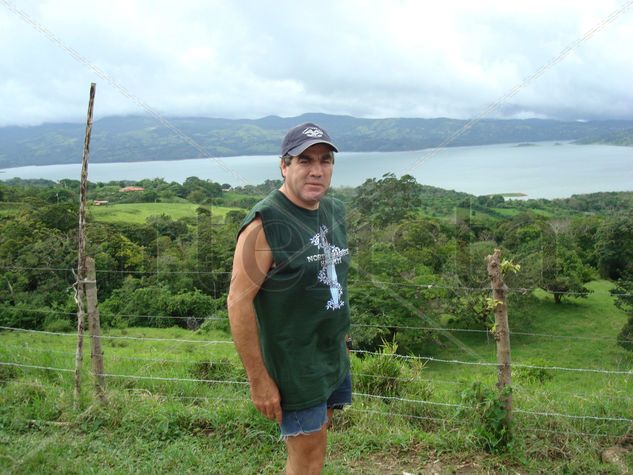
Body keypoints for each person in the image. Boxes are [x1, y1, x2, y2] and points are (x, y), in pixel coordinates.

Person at [227, 122, 351, 474]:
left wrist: (340, 336)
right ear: (284, 166)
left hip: (330, 355)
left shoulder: (333, 211)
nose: (317, 170)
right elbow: (238, 304)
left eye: (325, 160)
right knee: (307, 460)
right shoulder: (266, 225)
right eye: (304, 160)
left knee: (315, 448)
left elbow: (335, 278)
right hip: (295, 366)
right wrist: (259, 379)